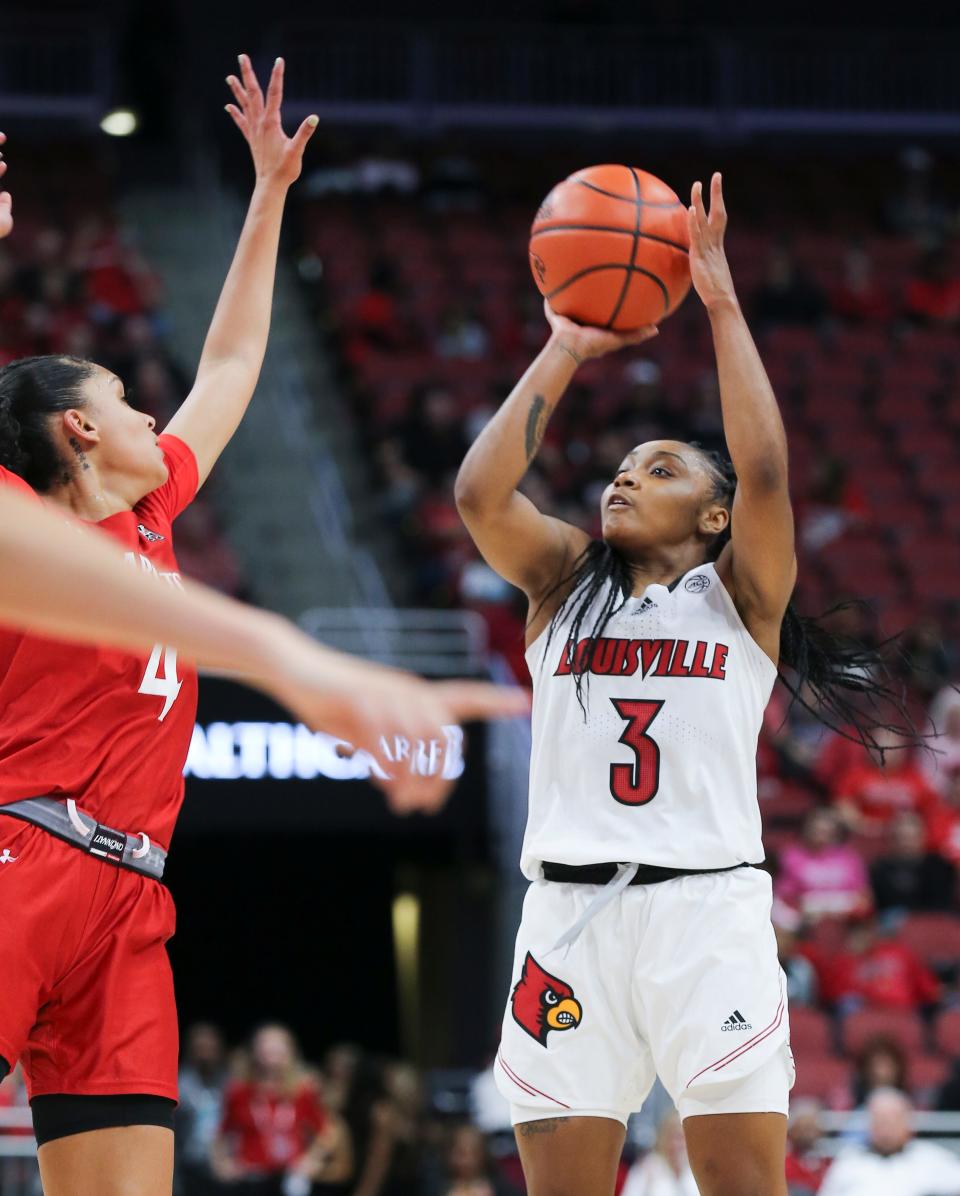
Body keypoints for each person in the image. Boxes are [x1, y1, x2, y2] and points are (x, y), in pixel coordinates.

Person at [0, 76, 526, 1196]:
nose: (157, 411)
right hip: (19, 856)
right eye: (131, 398)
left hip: (131, 895)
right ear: (79, 427)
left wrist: (270, 193)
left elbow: (232, 366)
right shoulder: (21, 524)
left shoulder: (149, 520)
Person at [455, 172, 915, 1196]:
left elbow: (764, 470)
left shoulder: (742, 600)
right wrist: (568, 344)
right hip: (569, 918)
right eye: (623, 465)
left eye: (660, 469)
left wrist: (717, 299)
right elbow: (480, 491)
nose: (625, 475)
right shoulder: (563, 585)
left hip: (708, 919)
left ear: (712, 519)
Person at [212, 1024, 350, 1195]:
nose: (271, 1051)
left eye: (278, 1046)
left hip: (290, 1179)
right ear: (255, 1049)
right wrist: (222, 1164)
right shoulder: (239, 1091)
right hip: (251, 1179)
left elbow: (328, 1132)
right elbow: (220, 1133)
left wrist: (310, 1160)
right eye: (266, 1045)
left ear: (290, 1051)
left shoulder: (302, 1091)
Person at [819, 1088, 960, 1196]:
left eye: (893, 1121)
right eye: (880, 1121)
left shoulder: (933, 1159)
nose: (886, 1129)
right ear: (869, 1125)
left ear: (908, 1123)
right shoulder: (849, 1161)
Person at [776, 808, 872, 923]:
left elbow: (863, 895)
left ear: (835, 833)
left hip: (846, 919)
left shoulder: (850, 858)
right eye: (816, 830)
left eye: (825, 831)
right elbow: (785, 895)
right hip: (805, 918)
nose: (820, 835)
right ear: (806, 830)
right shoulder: (791, 856)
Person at [175, 1023, 229, 1196]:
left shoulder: (231, 1082)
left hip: (226, 1166)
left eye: (209, 1048)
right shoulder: (179, 1083)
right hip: (188, 1165)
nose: (205, 1054)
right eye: (200, 1048)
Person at [870, 811, 956, 912]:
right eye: (900, 838)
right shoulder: (879, 869)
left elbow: (943, 905)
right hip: (890, 923)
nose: (906, 843)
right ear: (890, 840)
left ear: (923, 837)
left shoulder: (940, 867)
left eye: (911, 838)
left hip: (932, 921)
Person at [620, 1112, 698, 1196]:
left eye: (681, 1138)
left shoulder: (697, 1169)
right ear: (663, 1138)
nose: (676, 1144)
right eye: (672, 1137)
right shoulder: (647, 1167)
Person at [783, 1100, 829, 1195]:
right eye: (802, 1128)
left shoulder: (827, 1161)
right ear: (791, 1132)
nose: (806, 1135)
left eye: (811, 1128)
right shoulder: (783, 1163)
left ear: (819, 1131)